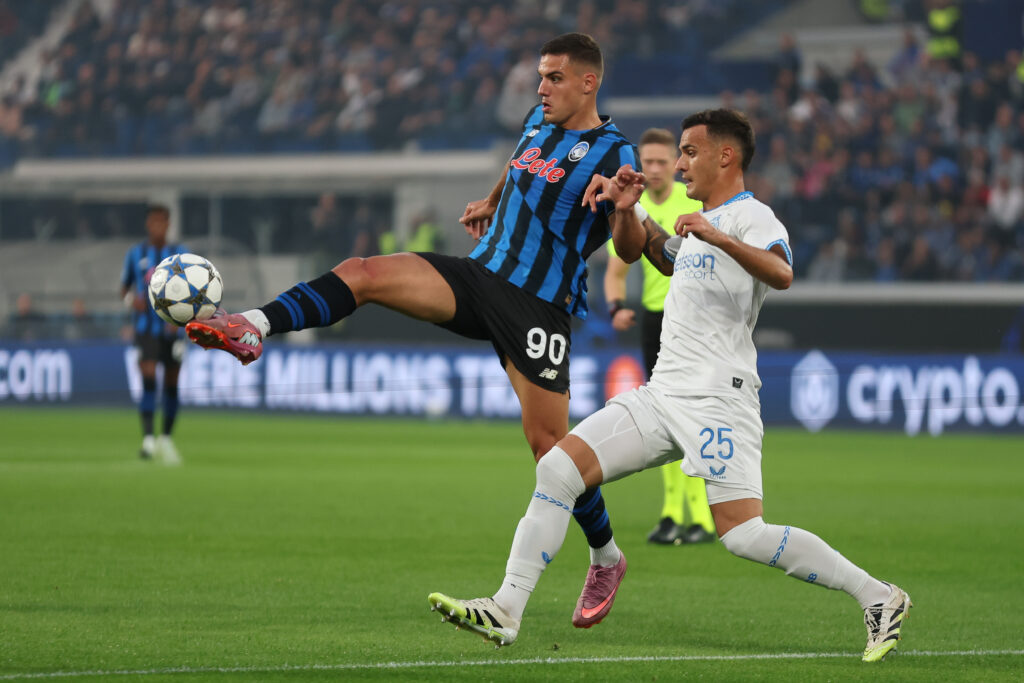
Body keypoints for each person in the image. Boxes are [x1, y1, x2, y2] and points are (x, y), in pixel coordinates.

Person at [185, 33, 641, 629]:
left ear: (588, 82)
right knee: (363, 272)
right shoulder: (537, 120)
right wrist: (492, 197)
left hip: (538, 305)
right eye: (540, 75)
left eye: (553, 77)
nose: (540, 87)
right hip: (481, 275)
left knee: (551, 451)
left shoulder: (613, 151)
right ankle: (253, 325)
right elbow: (520, 160)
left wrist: (625, 208)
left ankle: (606, 555)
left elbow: (627, 247)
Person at [428, 109, 911, 663]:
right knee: (558, 468)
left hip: (719, 399)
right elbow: (648, 252)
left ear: (725, 156)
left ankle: (879, 596)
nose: (679, 165)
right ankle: (507, 608)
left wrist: (716, 236)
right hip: (661, 394)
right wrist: (626, 211)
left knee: (742, 535)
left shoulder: (752, 217)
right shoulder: (694, 222)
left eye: (689, 152)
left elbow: (781, 273)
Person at [603, 127, 714, 546]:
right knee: (668, 414)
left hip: (697, 321)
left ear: (675, 163)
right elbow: (616, 271)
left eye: (660, 162)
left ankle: (702, 516)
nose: (652, 169)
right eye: (645, 162)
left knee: (699, 414)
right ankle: (672, 513)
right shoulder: (636, 207)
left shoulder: (694, 202)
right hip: (656, 321)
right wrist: (616, 307)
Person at [120, 204, 187, 464]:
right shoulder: (135, 254)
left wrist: (182, 320)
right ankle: (148, 439)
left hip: (172, 331)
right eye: (153, 221)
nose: (157, 226)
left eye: (161, 221)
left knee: (172, 383)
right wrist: (130, 302)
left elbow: (193, 292)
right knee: (148, 378)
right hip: (145, 330)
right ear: (148, 224)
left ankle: (166, 439)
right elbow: (124, 288)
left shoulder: (180, 254)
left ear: (168, 224)